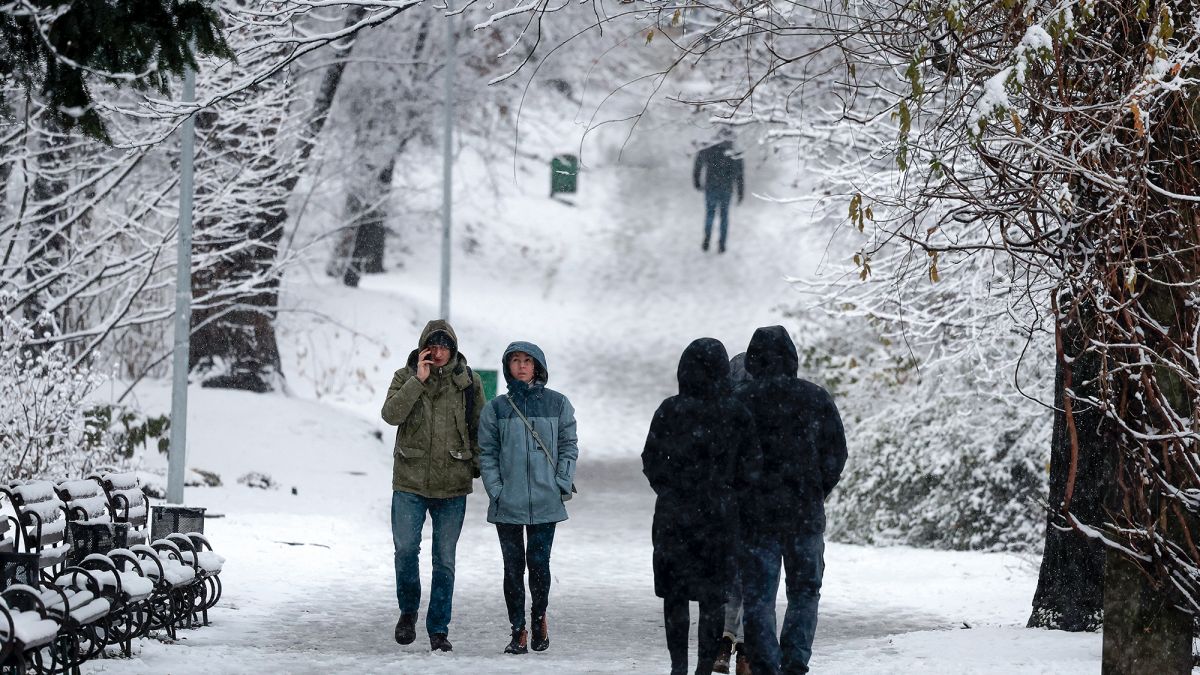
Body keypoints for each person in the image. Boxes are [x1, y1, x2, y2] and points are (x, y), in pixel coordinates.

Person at [643, 338, 762, 675]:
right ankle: (702, 668)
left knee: (675, 597)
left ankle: (678, 665)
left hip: (673, 519)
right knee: (712, 599)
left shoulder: (670, 409)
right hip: (720, 519)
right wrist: (728, 494)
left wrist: (669, 490)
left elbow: (651, 459)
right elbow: (751, 467)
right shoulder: (736, 413)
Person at [734, 326, 847, 675]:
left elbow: (728, 459)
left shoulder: (741, 401)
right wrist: (815, 490)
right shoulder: (816, 398)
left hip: (757, 519)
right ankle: (795, 661)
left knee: (758, 596)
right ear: (792, 358)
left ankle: (766, 664)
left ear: (753, 360)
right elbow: (836, 454)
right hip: (805, 515)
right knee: (804, 591)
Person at [380, 320, 485, 652]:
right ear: (423, 347)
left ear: (453, 349)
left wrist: (480, 466)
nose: (439, 353)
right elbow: (390, 415)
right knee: (406, 551)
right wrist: (417, 381)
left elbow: (480, 427)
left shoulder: (468, 382)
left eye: (445, 347)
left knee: (445, 560)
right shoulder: (404, 376)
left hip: (452, 485)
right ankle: (408, 612)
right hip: (409, 482)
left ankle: (438, 628)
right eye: (433, 346)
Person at [478, 341, 578, 655]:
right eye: (515, 361)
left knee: (539, 565)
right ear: (507, 366)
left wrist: (560, 481)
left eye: (527, 361)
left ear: (538, 366)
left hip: (546, 501)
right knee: (512, 568)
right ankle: (517, 629)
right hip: (508, 502)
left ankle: (539, 617)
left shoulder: (559, 404)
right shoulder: (496, 408)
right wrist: (496, 489)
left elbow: (568, 446)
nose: (521, 366)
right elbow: (487, 453)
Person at [714, 352, 753, 675]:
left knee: (730, 578)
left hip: (726, 507)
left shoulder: (722, 412)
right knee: (754, 579)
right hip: (758, 508)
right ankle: (745, 648)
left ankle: (726, 639)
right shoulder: (766, 411)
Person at [692, 128, 745, 254]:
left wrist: (697, 182)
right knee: (724, 216)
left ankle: (707, 239)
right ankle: (722, 244)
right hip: (726, 189)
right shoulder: (735, 152)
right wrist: (740, 193)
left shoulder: (710, 149)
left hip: (711, 187)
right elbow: (740, 175)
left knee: (710, 214)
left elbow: (698, 163)